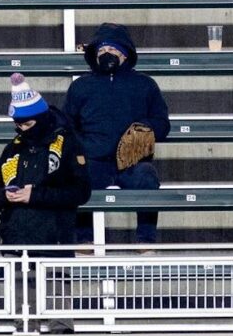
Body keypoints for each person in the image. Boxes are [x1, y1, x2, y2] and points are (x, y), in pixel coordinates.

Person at [0, 74, 92, 333]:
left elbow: (80, 191)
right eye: (18, 125)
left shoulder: (67, 143)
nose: (22, 129)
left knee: (61, 326)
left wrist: (34, 195)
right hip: (17, 240)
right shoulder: (12, 149)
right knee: (25, 326)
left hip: (54, 239)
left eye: (27, 124)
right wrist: (7, 196)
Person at [63, 23, 170, 246]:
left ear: (124, 53)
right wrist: (83, 149)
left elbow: (162, 124)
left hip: (133, 162)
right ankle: (84, 241)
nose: (106, 54)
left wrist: (144, 130)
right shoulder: (81, 86)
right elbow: (67, 127)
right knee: (77, 176)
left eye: (112, 50)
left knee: (147, 176)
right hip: (94, 159)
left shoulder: (145, 85)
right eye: (101, 50)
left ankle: (146, 241)